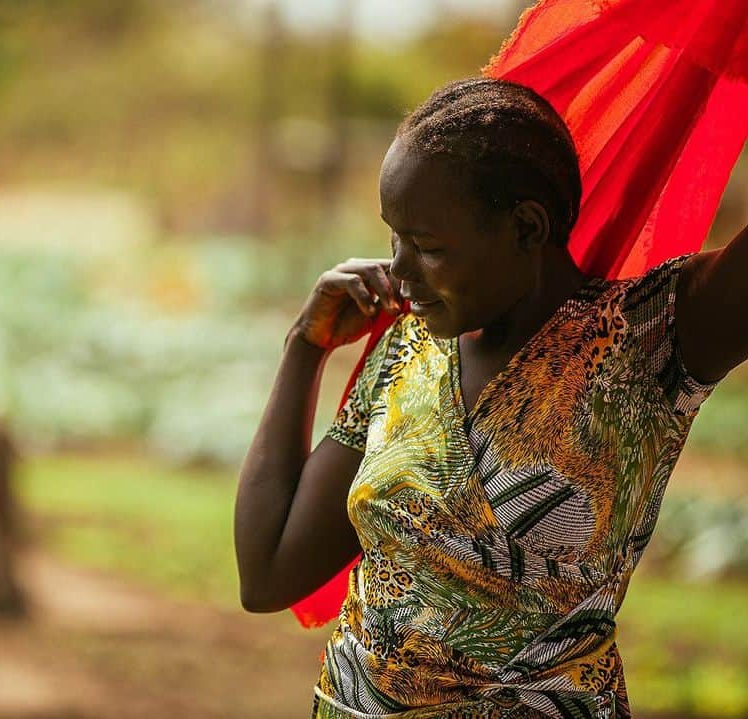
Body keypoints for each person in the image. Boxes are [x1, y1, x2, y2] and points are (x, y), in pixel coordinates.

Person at [234, 76, 748, 719]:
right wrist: (303, 348)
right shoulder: (408, 353)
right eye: (393, 238)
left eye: (427, 247)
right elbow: (268, 573)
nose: (398, 271)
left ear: (526, 226)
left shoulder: (647, 340)